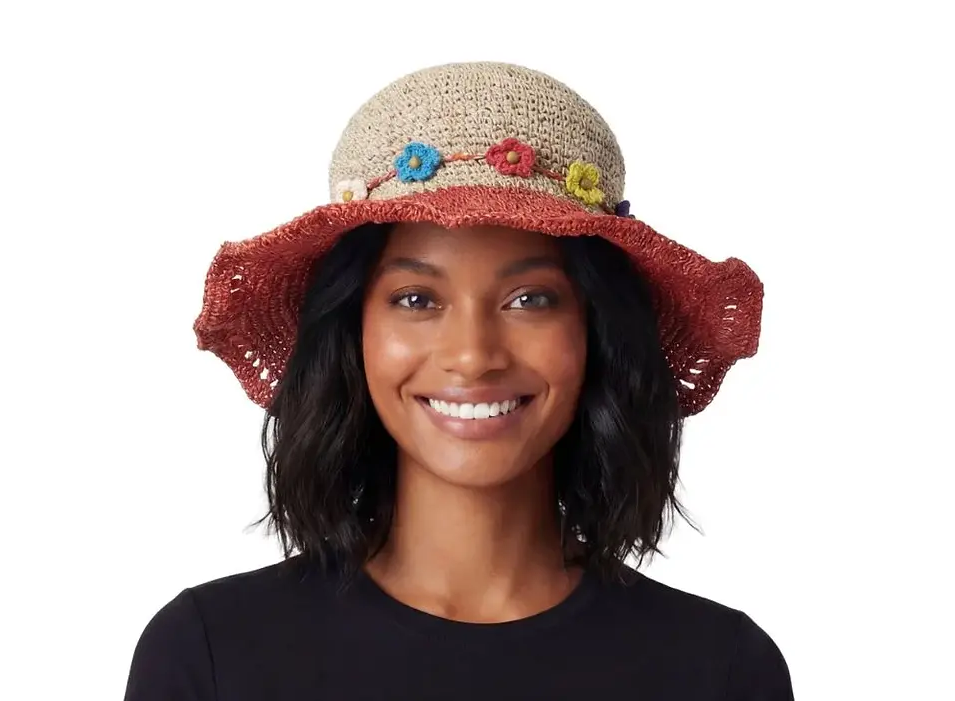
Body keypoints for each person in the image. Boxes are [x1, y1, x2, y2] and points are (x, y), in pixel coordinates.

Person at [124, 62, 792, 699]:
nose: (473, 356)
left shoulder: (720, 671)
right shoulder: (210, 655)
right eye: (417, 299)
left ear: (597, 330)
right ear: (352, 330)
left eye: (530, 299)